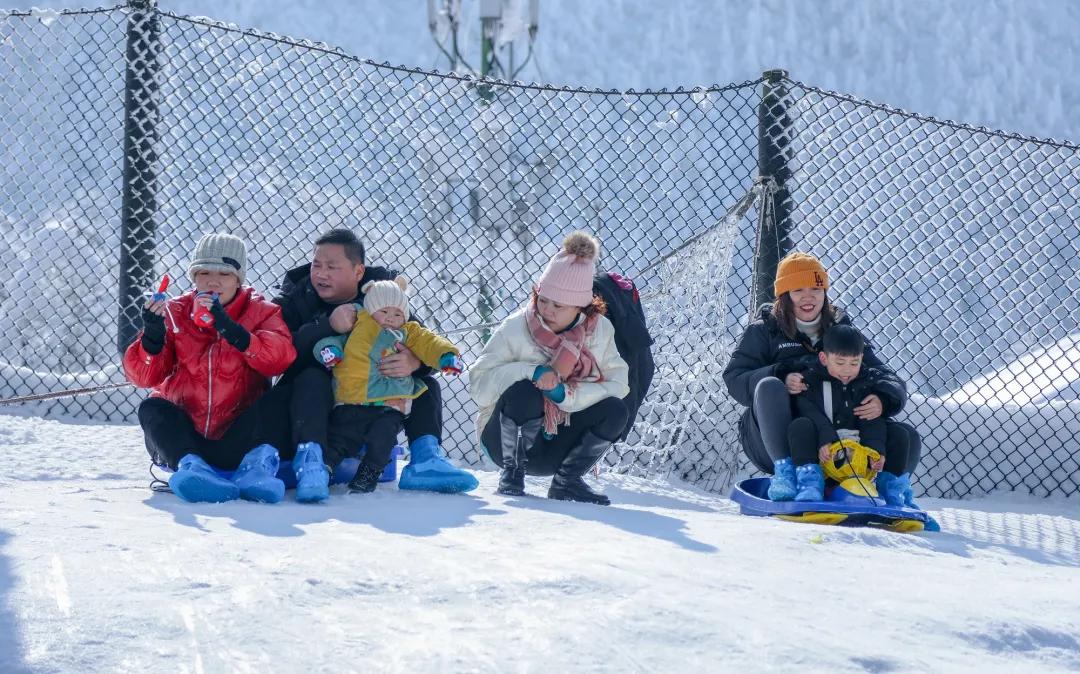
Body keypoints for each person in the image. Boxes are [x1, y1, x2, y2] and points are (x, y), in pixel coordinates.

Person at [722, 252, 935, 526]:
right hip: (782, 437)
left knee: (906, 435)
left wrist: (883, 397)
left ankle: (884, 490)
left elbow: (886, 375)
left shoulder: (840, 328)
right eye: (798, 290)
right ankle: (790, 474)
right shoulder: (765, 331)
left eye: (815, 289)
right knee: (769, 386)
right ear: (784, 295)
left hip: (839, 439)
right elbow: (735, 379)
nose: (808, 297)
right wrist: (780, 372)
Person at [271, 228, 478, 503]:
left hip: (377, 400)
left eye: (332, 267)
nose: (320, 274)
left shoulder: (386, 296)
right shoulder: (295, 299)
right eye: (316, 265)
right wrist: (326, 326)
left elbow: (423, 339)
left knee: (426, 385)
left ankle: (426, 461)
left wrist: (415, 363)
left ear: (358, 272)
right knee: (312, 377)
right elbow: (277, 354)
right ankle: (313, 464)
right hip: (318, 405)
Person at [123, 232, 297, 504]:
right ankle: (194, 470)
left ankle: (255, 471)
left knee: (283, 397)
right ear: (194, 277)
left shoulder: (263, 312)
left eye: (224, 274)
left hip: (241, 435)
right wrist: (153, 338)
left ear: (239, 279)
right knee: (153, 407)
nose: (213, 281)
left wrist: (232, 330)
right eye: (204, 272)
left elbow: (280, 359)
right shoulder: (175, 311)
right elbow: (145, 377)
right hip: (188, 440)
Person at [470, 231, 630, 505]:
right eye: (542, 299)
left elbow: (619, 383)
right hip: (502, 442)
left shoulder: (599, 331)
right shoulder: (516, 327)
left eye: (558, 305)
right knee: (525, 390)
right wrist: (530, 371)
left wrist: (564, 394)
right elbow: (479, 387)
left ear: (580, 305)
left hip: (557, 443)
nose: (547, 310)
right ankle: (512, 474)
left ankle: (567, 481)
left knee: (616, 410)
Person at [312, 278, 464, 494]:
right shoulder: (358, 325)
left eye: (397, 314)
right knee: (340, 440)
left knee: (383, 440)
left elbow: (430, 343)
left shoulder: (409, 332)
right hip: (351, 401)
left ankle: (369, 474)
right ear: (371, 309)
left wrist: (447, 356)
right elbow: (334, 341)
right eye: (384, 312)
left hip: (389, 405)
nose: (391, 319)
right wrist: (329, 351)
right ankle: (322, 470)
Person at [782, 324, 903, 502]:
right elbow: (808, 411)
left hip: (857, 459)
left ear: (862, 358)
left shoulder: (866, 381)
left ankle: (891, 491)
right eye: (840, 363)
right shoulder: (811, 379)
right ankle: (809, 483)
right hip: (822, 454)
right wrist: (825, 439)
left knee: (901, 434)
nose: (847, 370)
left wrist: (875, 451)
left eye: (854, 363)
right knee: (800, 426)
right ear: (824, 358)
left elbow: (872, 420)